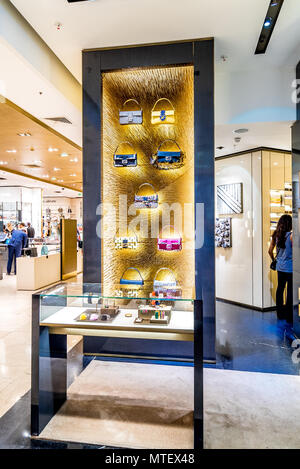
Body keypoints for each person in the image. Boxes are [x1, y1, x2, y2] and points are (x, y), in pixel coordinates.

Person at [268, 214, 293, 324]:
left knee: (280, 289)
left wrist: (275, 259)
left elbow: (269, 251)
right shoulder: (291, 236)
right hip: (291, 267)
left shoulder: (275, 235)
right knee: (290, 291)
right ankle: (289, 315)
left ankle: (280, 314)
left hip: (280, 267)